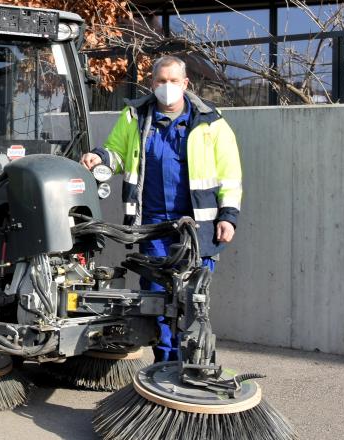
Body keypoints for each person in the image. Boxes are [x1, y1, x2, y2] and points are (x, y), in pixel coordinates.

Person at [79, 55, 243, 363]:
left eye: (173, 81)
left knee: (193, 300)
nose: (167, 87)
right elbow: (116, 153)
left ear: (185, 83)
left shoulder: (212, 123)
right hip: (152, 227)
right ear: (152, 84)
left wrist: (228, 217)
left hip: (197, 230)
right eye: (161, 81)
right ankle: (165, 365)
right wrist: (99, 158)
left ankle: (196, 364)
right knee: (156, 298)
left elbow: (230, 176)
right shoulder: (135, 117)